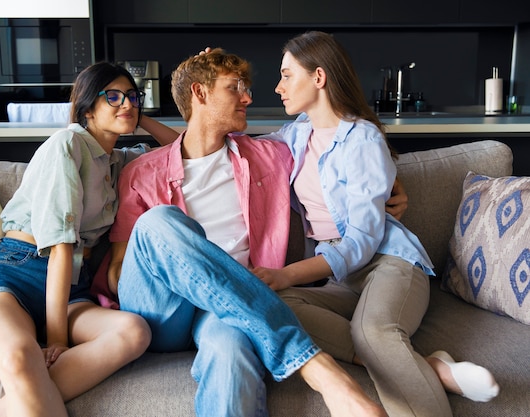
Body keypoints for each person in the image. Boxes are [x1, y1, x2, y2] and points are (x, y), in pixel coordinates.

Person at [92, 48, 386, 417]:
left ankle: (292, 353)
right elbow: (119, 270)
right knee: (160, 221)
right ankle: (317, 368)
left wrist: (390, 183)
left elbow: (336, 144)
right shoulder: (141, 173)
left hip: (231, 310)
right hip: (162, 309)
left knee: (231, 350)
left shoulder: (270, 154)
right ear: (199, 94)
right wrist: (184, 265)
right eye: (235, 88)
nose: (248, 97)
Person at [250, 31, 499, 417]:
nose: (278, 86)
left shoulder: (362, 139)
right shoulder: (296, 134)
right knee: (272, 305)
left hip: (388, 263)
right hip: (344, 281)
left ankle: (403, 365)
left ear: (318, 77)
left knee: (373, 333)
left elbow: (363, 242)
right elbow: (225, 145)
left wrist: (287, 273)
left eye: (286, 75)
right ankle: (428, 367)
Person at [0, 62, 175, 417]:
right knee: (20, 355)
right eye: (113, 96)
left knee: (134, 331)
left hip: (73, 286)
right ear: (88, 107)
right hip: (15, 273)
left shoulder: (118, 161)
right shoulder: (68, 143)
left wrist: (139, 118)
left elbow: (184, 150)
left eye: (133, 97)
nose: (127, 103)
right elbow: (61, 247)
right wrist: (58, 340)